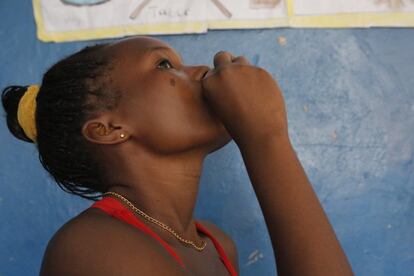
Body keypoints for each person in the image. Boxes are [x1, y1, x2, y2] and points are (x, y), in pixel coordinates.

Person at [1, 36, 354, 275]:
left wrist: (267, 136)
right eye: (165, 66)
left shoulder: (216, 245)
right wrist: (266, 137)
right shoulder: (91, 249)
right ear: (108, 129)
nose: (201, 71)